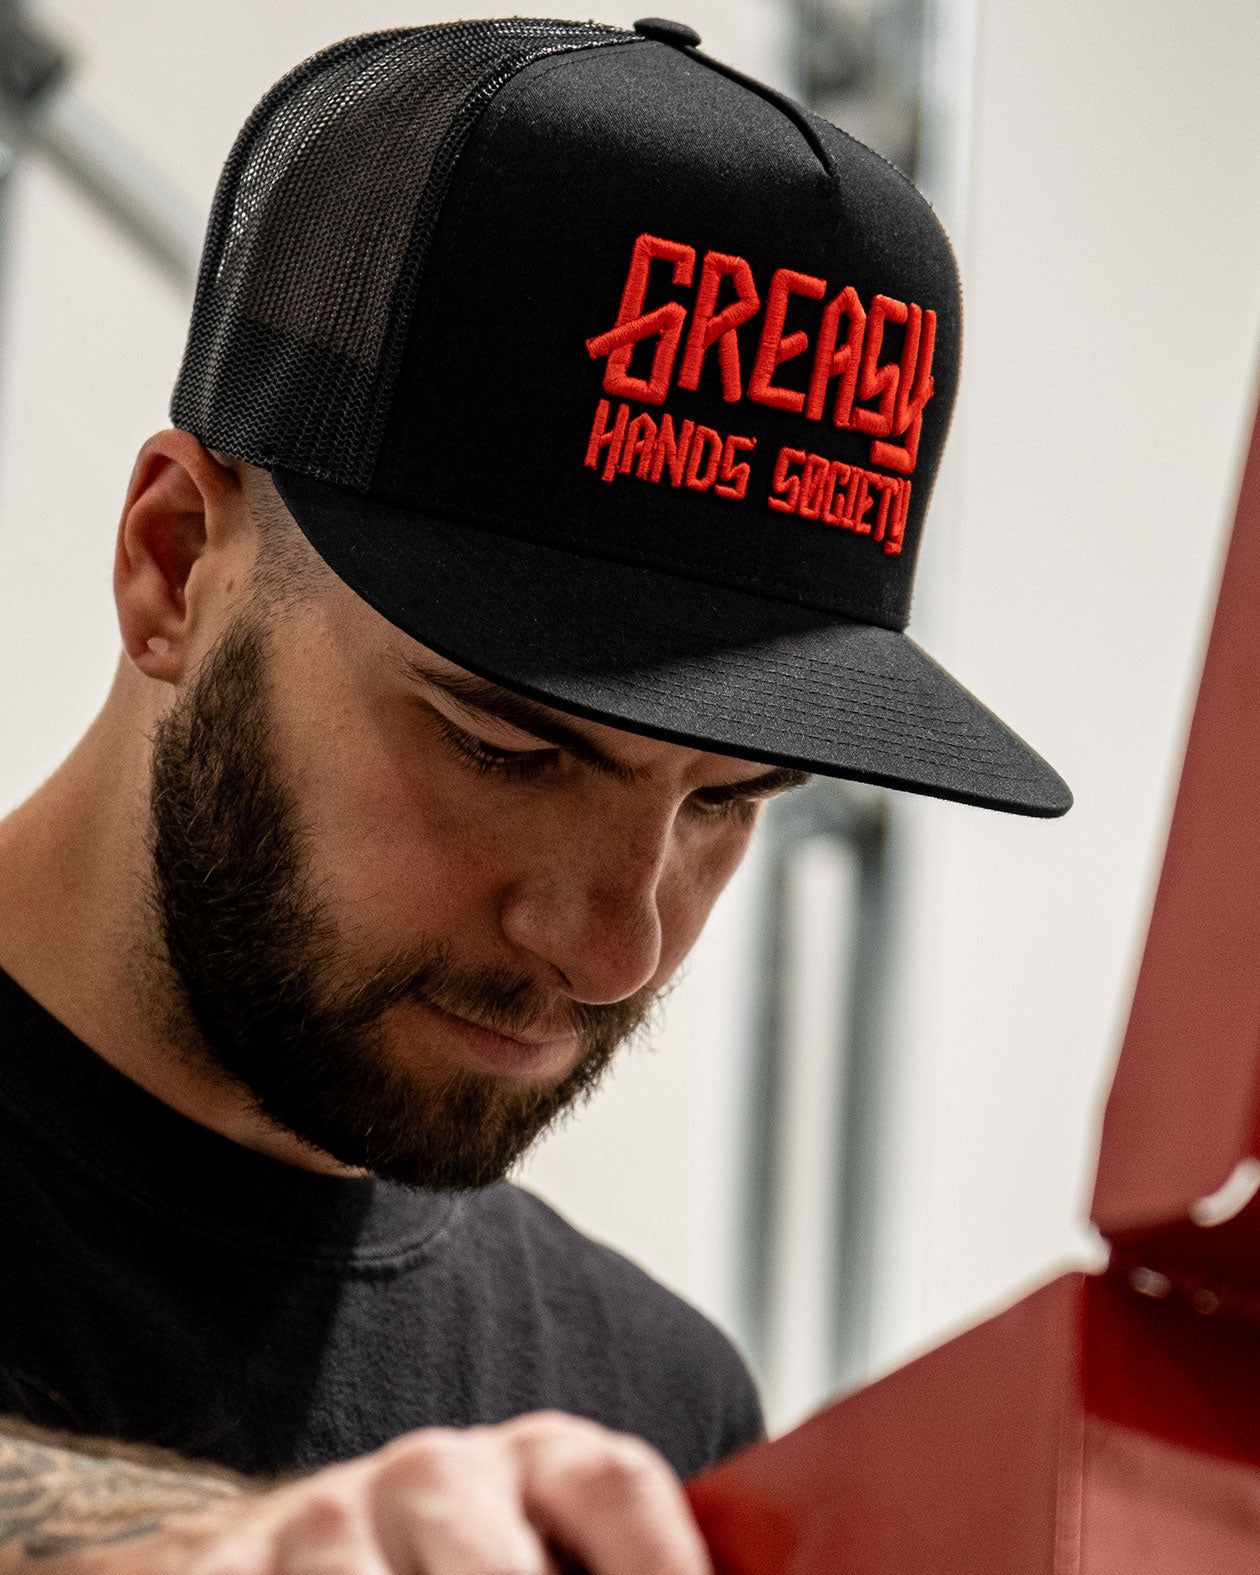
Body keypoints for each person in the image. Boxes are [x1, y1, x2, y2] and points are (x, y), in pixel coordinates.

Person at [0, 15, 1070, 1574]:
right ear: (176, 565)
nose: (617, 943)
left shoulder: (652, 1415)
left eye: (725, 803)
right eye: (505, 748)